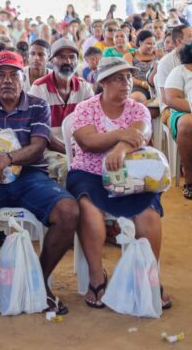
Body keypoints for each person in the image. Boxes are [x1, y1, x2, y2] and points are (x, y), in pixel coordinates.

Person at [0, 51, 79, 315]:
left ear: (24, 78)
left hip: (31, 176)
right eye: (0, 75)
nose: (7, 80)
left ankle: (38, 280)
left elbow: (38, 146)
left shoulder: (37, 105)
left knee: (68, 211)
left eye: (14, 75)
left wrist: (8, 158)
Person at [66, 57, 172, 309]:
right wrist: (121, 135)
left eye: (126, 77)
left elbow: (142, 132)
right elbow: (87, 142)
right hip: (89, 174)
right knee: (90, 212)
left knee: (148, 214)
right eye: (116, 78)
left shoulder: (137, 108)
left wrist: (120, 149)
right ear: (102, 82)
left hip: (131, 175)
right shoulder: (86, 108)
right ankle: (96, 276)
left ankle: (148, 276)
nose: (125, 83)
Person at [29, 38, 94, 185]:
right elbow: (42, 133)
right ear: (51, 61)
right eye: (61, 57)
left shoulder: (84, 87)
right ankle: (70, 206)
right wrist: (70, 152)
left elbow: (92, 125)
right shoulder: (39, 88)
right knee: (67, 167)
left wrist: (82, 150)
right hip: (50, 151)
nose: (67, 61)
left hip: (80, 148)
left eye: (72, 57)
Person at [164, 43, 192, 199]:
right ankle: (190, 180)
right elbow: (172, 99)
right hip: (184, 112)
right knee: (188, 124)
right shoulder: (180, 71)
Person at [123, 30, 157, 104]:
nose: (152, 46)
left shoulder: (158, 55)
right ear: (140, 43)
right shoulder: (130, 56)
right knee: (137, 98)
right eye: (148, 43)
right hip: (138, 87)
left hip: (157, 86)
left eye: (153, 44)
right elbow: (128, 76)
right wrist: (144, 84)